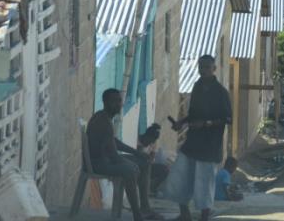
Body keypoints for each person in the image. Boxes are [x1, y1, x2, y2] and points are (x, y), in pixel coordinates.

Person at [165, 55, 232, 221]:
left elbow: (228, 119)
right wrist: (181, 122)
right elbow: (192, 114)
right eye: (201, 67)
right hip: (192, 142)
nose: (203, 71)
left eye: (207, 67)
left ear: (214, 69)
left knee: (204, 183)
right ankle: (184, 214)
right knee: (179, 177)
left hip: (209, 145)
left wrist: (206, 123)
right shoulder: (196, 86)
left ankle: (204, 217)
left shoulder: (221, 92)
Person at [86, 89, 162, 221]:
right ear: (105, 102)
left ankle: (145, 207)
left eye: (119, 101)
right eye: (114, 101)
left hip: (106, 159)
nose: (119, 104)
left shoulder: (104, 117)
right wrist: (131, 164)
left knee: (144, 162)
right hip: (98, 163)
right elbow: (114, 156)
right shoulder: (103, 121)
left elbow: (114, 143)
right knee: (130, 170)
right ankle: (137, 214)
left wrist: (136, 153)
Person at [138, 123, 169, 196]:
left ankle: (152, 188)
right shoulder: (137, 142)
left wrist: (151, 155)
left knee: (165, 170)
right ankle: (145, 189)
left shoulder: (152, 144)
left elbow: (152, 156)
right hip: (139, 168)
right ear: (147, 136)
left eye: (153, 140)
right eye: (151, 140)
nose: (152, 142)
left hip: (147, 167)